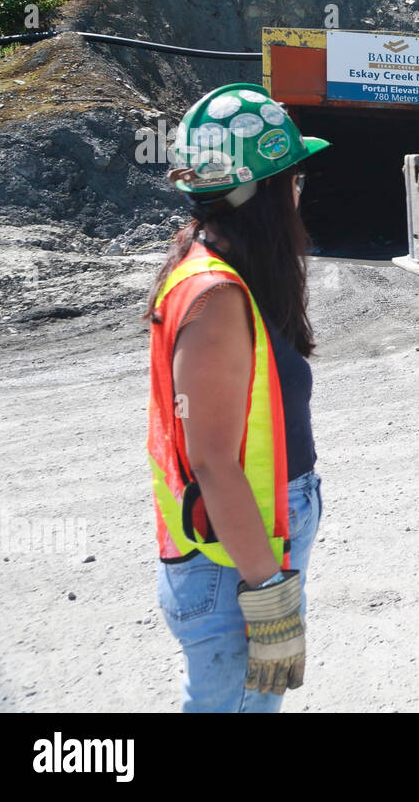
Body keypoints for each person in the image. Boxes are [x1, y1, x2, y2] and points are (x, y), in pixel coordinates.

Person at [144, 82, 329, 712]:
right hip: (233, 565)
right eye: (290, 179)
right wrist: (269, 596)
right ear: (257, 192)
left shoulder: (231, 278)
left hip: (245, 546)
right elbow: (214, 463)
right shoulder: (216, 299)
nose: (298, 191)